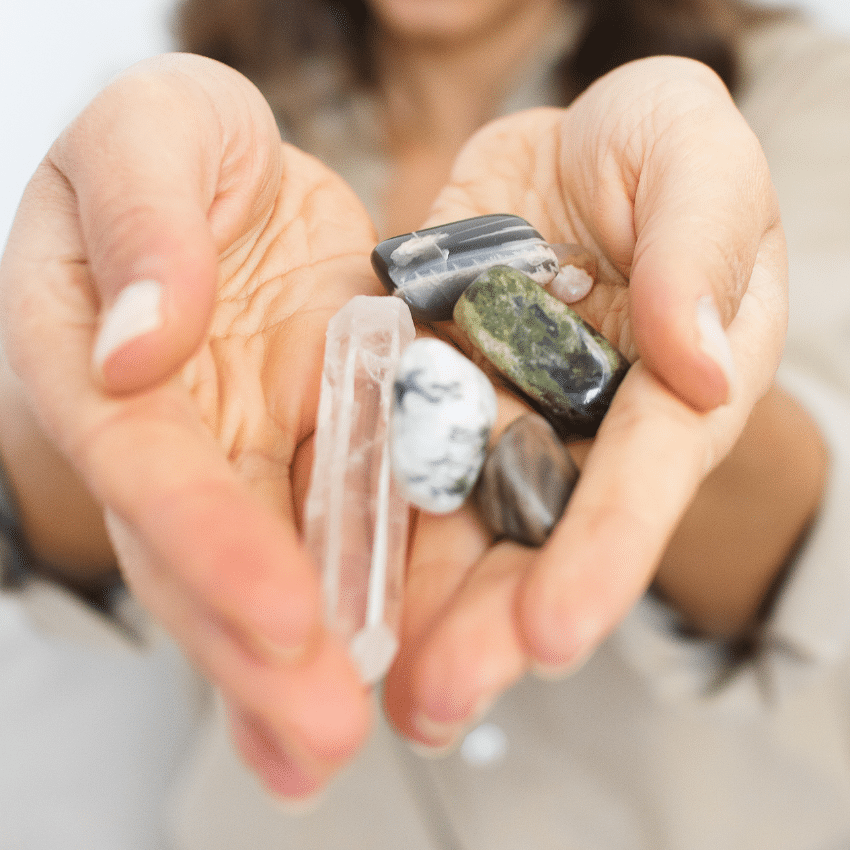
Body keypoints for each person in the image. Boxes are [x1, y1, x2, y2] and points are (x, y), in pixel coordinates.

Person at [0, 0, 847, 847]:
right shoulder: (203, 147)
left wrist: (660, 359)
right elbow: (63, 553)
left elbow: (817, 550)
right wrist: (105, 349)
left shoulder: (798, 95)